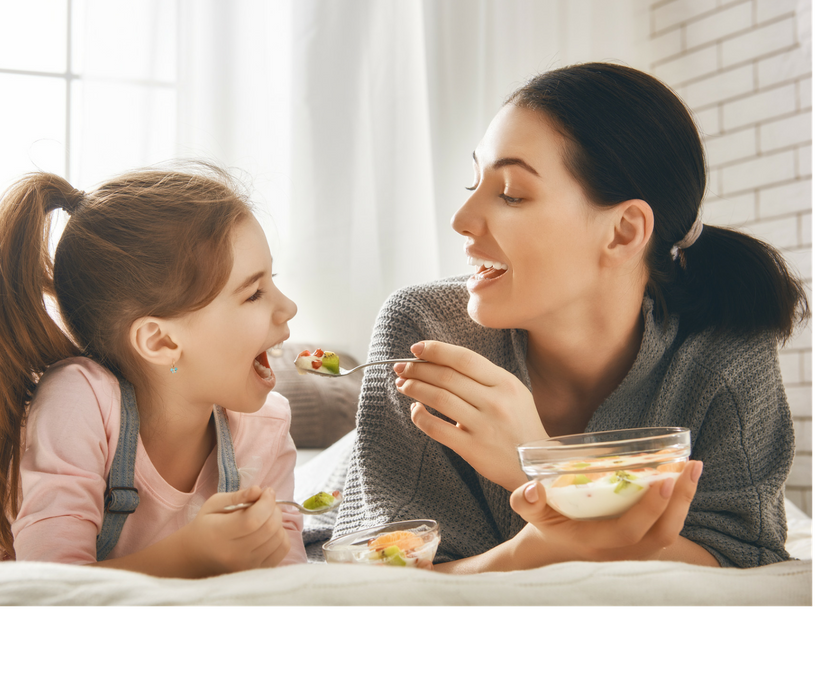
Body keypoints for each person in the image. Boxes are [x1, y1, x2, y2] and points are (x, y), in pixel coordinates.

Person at [333, 63, 808, 571]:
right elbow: (378, 572)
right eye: (472, 182)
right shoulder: (424, 327)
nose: (461, 220)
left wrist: (542, 467)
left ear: (624, 232)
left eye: (511, 193)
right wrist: (542, 545)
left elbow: (747, 563)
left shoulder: (726, 354)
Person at [0, 164, 305, 577]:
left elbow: (291, 577)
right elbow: (52, 586)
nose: (288, 307)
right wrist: (189, 557)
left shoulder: (266, 430)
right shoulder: (76, 402)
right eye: (254, 293)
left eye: (274, 280)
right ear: (160, 342)